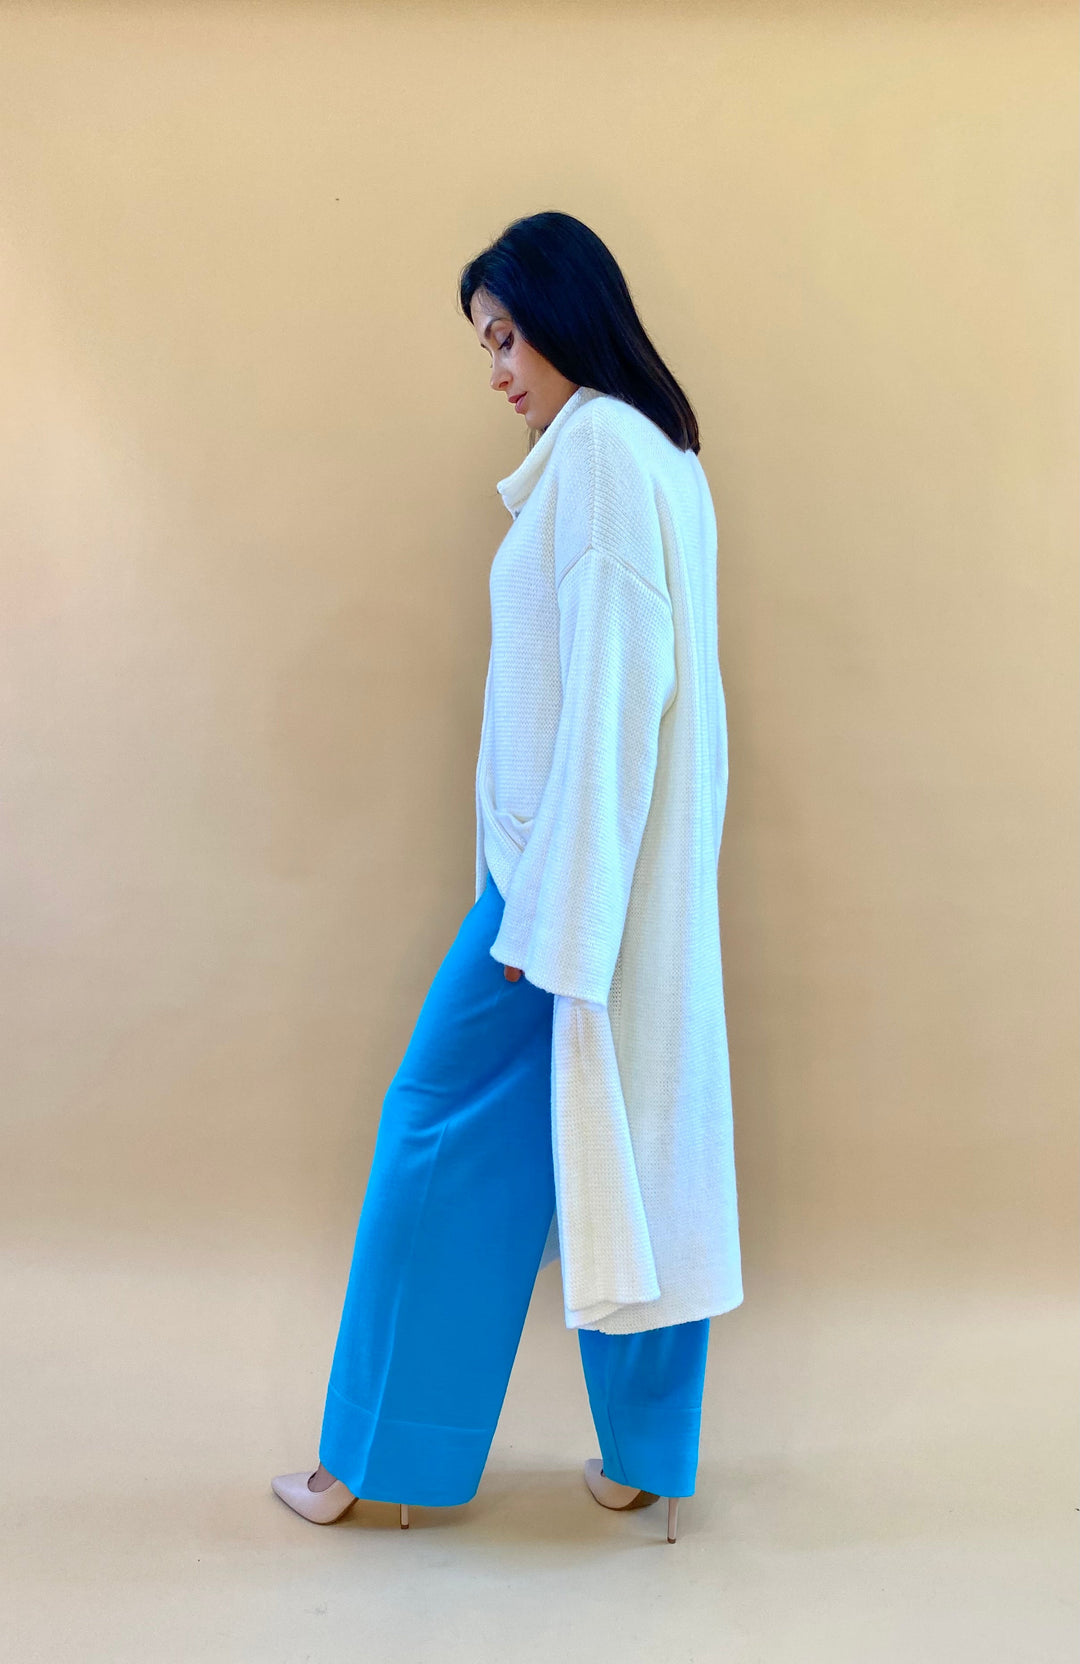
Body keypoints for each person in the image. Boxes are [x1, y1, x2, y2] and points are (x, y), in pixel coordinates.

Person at [271, 211, 742, 1544]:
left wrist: (560, 923)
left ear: (560, 315)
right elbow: (667, 695)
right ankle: (648, 1457)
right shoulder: (665, 458)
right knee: (640, 1141)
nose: (495, 372)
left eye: (503, 336)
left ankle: (370, 1461)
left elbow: (613, 694)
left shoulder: (597, 449)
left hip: (552, 896)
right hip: (623, 890)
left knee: (433, 1130)